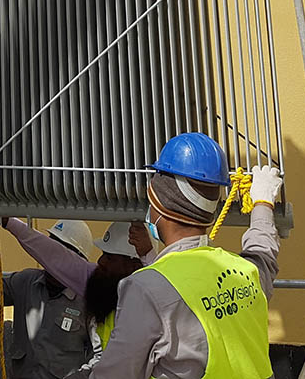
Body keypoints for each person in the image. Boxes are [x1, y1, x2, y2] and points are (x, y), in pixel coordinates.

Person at [86, 133, 284, 379]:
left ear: (156, 200)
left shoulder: (145, 288)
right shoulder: (245, 271)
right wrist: (262, 203)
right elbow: (263, 252)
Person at [0, 218, 151, 370]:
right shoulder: (103, 284)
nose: (101, 261)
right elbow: (57, 257)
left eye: (109, 257)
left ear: (133, 266)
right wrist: (9, 222)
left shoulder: (152, 297)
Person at [0, 220, 96, 379]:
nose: (49, 258)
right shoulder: (26, 282)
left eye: (57, 252)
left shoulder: (89, 301)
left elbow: (98, 358)